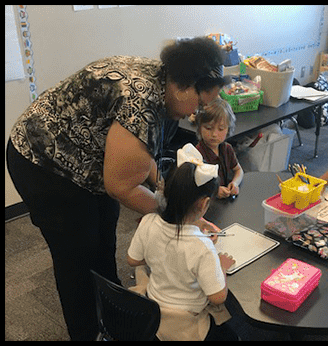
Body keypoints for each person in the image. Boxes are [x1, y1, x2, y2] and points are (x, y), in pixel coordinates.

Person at [4, 37, 227, 340]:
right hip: (42, 160)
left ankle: (111, 310)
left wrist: (163, 190)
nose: (197, 114)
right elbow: (120, 187)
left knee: (103, 234)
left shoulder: (165, 79)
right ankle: (86, 332)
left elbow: (142, 152)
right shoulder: (141, 104)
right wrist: (177, 212)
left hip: (86, 155)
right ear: (184, 86)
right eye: (200, 104)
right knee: (76, 253)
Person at [124, 159, 237, 340]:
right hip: (184, 322)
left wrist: (161, 255)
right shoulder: (203, 247)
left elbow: (133, 260)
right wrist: (222, 266)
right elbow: (217, 297)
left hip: (153, 309)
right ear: (204, 203)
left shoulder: (148, 222)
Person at [192, 98, 242, 199]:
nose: (214, 134)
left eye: (221, 129)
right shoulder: (197, 154)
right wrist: (214, 191)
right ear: (199, 127)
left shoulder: (227, 149)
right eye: (209, 128)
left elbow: (239, 170)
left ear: (228, 129)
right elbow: (194, 186)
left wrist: (235, 183)